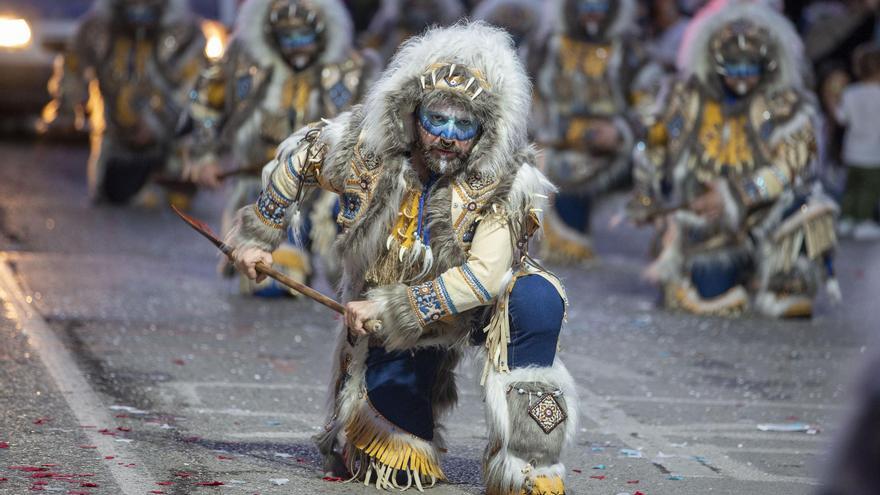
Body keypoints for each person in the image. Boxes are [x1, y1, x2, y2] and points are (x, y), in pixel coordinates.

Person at [228, 22, 578, 494]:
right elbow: (301, 156)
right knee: (397, 462)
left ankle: (528, 464)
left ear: (486, 129)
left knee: (537, 299)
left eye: (465, 125)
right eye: (438, 120)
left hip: (469, 307)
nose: (448, 137)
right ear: (413, 112)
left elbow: (485, 276)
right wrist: (259, 235)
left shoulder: (506, 178)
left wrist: (395, 307)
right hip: (389, 320)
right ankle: (387, 401)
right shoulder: (363, 148)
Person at [629, 0, 839, 318]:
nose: (742, 80)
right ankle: (727, 273)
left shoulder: (787, 106)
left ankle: (784, 281)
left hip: (765, 211)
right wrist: (650, 195)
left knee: (810, 208)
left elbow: (791, 169)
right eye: (733, 70)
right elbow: (655, 145)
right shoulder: (688, 98)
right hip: (706, 217)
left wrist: (735, 195)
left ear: (766, 65)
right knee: (709, 289)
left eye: (750, 70)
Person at [183, 0, 379, 296]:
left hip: (325, 189)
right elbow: (206, 101)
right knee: (272, 277)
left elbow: (374, 128)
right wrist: (203, 154)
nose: (296, 47)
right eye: (288, 39)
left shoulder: (353, 69)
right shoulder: (243, 63)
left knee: (353, 270)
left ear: (322, 34)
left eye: (304, 38)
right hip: (258, 184)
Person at [43, 0, 212, 206]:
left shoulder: (183, 31)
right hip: (117, 137)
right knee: (112, 195)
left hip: (169, 138)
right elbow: (73, 65)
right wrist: (67, 108)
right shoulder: (100, 26)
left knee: (176, 199)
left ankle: (176, 176)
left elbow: (197, 89)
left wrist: (156, 123)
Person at [536, 0, 653, 263]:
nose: (592, 13)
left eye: (600, 6)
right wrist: (544, 133)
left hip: (616, 151)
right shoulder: (549, 45)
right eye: (585, 5)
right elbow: (525, 96)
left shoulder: (628, 49)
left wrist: (620, 132)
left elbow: (651, 106)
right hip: (555, 148)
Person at [833, 42, 880, 240]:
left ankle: (846, 219)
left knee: (851, 188)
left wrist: (833, 101)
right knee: (868, 189)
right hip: (873, 153)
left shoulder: (851, 93)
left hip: (852, 150)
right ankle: (863, 220)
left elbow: (841, 118)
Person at [360, 0, 465, 63]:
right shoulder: (393, 8)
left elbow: (451, 46)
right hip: (395, 43)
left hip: (432, 49)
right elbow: (374, 38)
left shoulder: (450, 9)